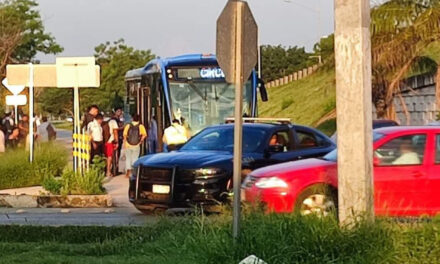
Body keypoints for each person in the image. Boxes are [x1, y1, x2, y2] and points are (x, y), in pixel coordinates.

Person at [103, 109, 122, 177]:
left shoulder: (106, 121)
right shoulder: (113, 121)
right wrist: (117, 142)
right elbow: (115, 132)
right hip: (111, 141)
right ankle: (108, 171)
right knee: (110, 157)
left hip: (104, 141)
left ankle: (105, 170)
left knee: (106, 156)